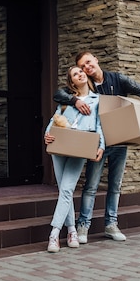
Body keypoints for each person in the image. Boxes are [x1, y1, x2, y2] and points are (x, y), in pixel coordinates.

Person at [54, 51, 140, 244]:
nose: (87, 68)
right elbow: (59, 94)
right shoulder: (86, 87)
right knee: (91, 186)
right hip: (97, 143)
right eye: (83, 66)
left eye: (88, 63)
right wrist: (75, 101)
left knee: (115, 186)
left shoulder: (117, 79)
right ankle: (83, 225)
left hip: (119, 142)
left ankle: (111, 225)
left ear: (96, 60)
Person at [43, 66, 105, 253]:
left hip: (80, 146)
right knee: (64, 191)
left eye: (81, 72)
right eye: (75, 74)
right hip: (60, 145)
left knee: (68, 189)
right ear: (72, 82)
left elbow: (99, 125)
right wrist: (47, 135)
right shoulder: (66, 100)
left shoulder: (97, 100)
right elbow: (54, 121)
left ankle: (54, 234)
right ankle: (71, 231)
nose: (80, 74)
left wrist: (101, 145)